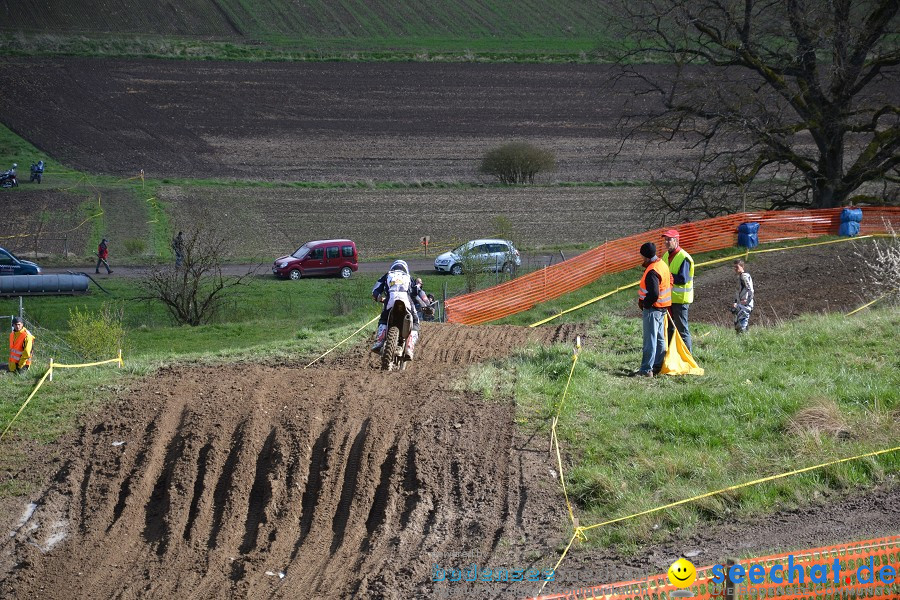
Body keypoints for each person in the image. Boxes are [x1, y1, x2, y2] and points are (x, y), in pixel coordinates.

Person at [634, 242, 672, 377]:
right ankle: (658, 365)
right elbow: (670, 281)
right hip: (663, 308)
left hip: (653, 309)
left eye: (642, 256)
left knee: (650, 340)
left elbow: (654, 293)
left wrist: (646, 304)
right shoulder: (662, 265)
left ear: (645, 256)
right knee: (660, 339)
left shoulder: (652, 271)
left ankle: (646, 370)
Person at [371, 260, 419, 352]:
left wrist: (379, 298)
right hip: (406, 299)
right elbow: (415, 291)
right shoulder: (408, 277)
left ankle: (380, 341)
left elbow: (375, 291)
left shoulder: (387, 275)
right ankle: (409, 346)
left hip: (391, 299)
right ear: (405, 269)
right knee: (416, 322)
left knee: (384, 319)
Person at [661, 229, 694, 353]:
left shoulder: (684, 257)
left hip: (680, 300)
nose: (666, 242)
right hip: (668, 299)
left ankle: (688, 358)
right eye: (665, 240)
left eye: (669, 239)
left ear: (676, 241)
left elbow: (682, 279)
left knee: (682, 330)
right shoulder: (665, 256)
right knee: (669, 328)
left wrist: (667, 276)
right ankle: (670, 356)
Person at [732, 259, 754, 333]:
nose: (735, 269)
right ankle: (743, 341)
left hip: (745, 305)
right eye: (734, 267)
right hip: (740, 304)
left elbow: (750, 290)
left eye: (737, 267)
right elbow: (738, 292)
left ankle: (745, 341)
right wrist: (735, 302)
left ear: (742, 267)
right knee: (738, 325)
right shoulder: (739, 277)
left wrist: (747, 301)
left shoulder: (744, 276)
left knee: (742, 326)